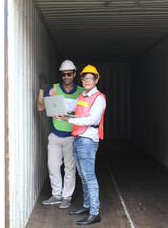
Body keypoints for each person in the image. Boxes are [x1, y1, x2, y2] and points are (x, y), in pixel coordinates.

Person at [55, 64, 106, 225]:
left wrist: (68, 119)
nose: (86, 80)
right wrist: (56, 101)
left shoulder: (99, 98)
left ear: (96, 80)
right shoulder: (83, 96)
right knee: (83, 176)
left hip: (88, 141)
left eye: (90, 78)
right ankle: (86, 206)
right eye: (84, 78)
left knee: (89, 177)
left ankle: (94, 212)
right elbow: (71, 107)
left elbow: (93, 120)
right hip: (78, 139)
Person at [37, 60, 84, 209]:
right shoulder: (54, 88)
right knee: (52, 166)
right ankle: (56, 195)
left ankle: (67, 197)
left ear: (74, 74)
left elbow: (85, 115)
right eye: (63, 74)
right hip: (55, 135)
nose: (66, 77)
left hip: (72, 135)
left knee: (70, 168)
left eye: (69, 74)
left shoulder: (82, 92)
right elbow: (40, 108)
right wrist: (42, 90)